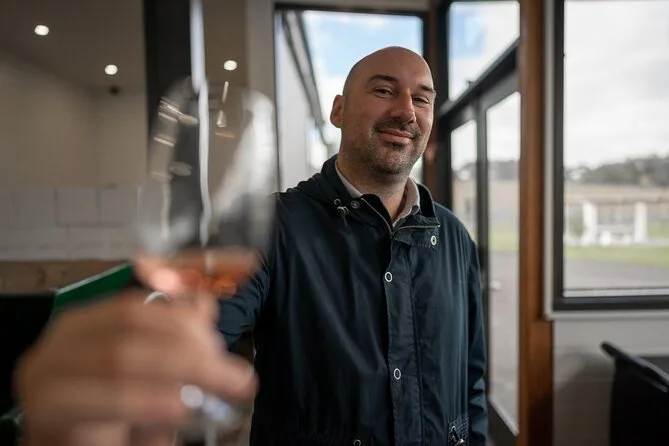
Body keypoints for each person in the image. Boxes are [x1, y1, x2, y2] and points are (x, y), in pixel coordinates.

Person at [13, 46, 487, 446]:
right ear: (339, 111)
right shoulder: (274, 227)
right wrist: (128, 366)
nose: (406, 110)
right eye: (384, 90)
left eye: (421, 99)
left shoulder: (454, 238)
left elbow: (472, 382)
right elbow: (194, 330)